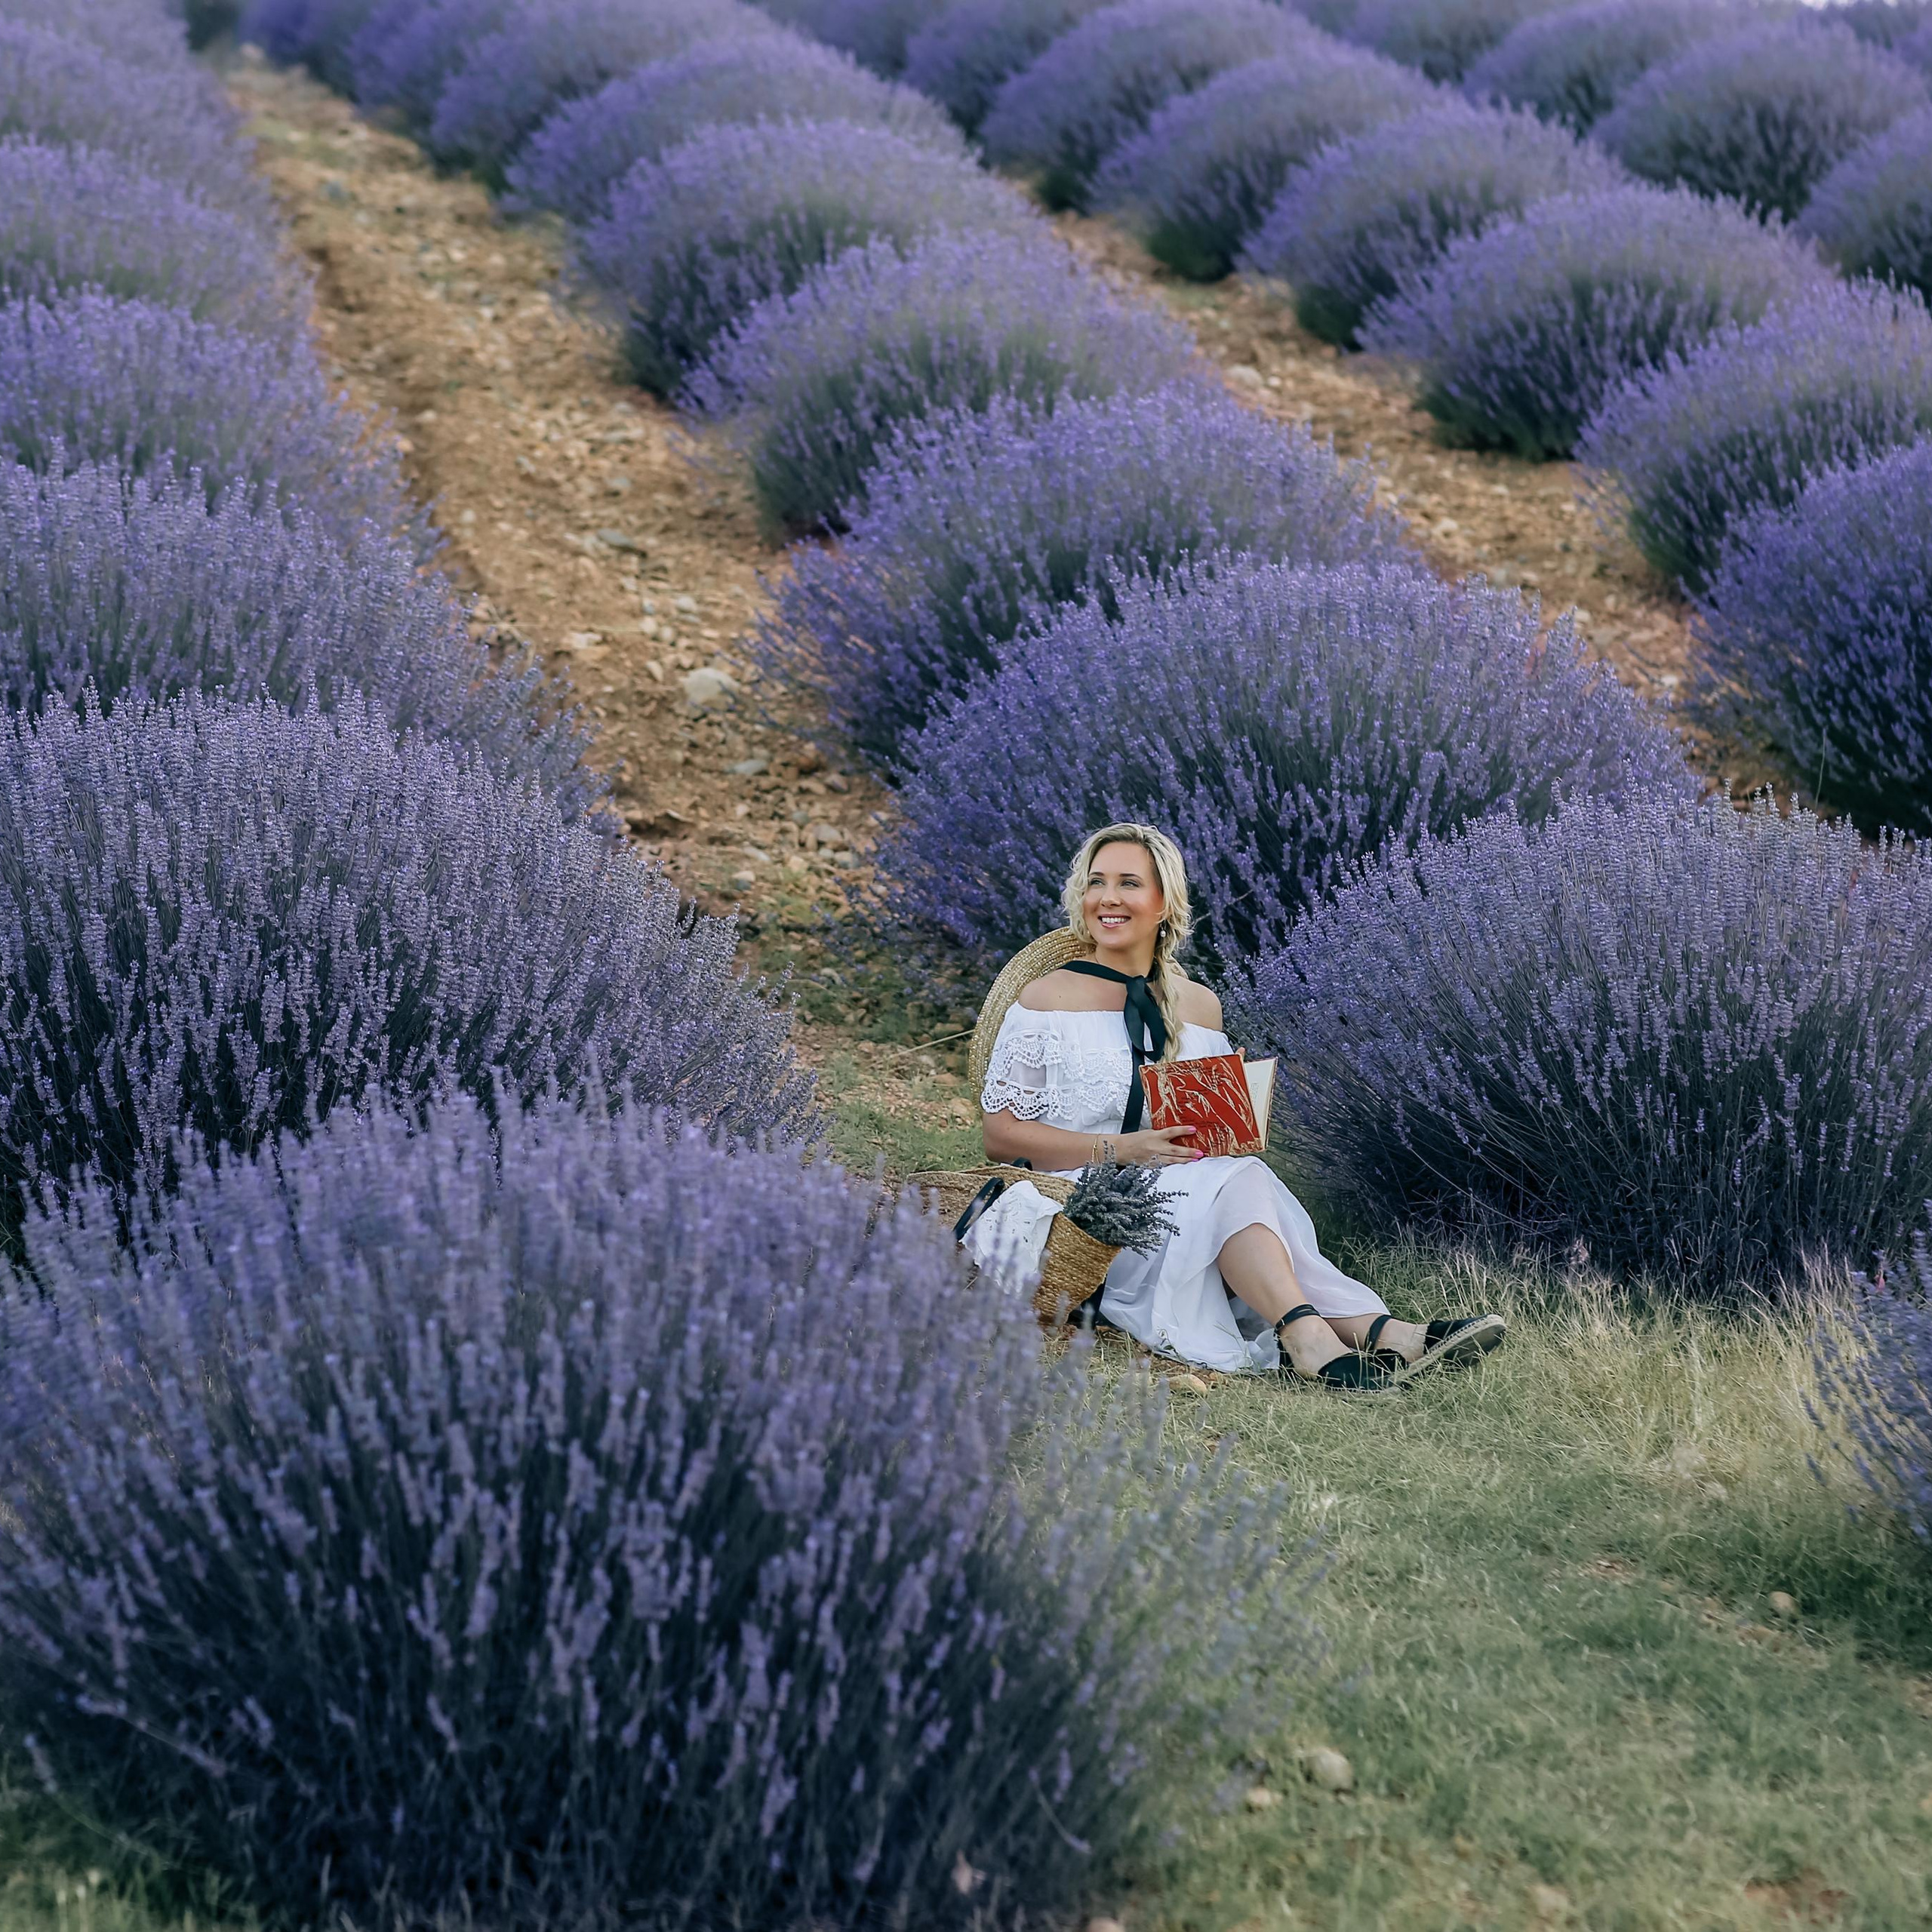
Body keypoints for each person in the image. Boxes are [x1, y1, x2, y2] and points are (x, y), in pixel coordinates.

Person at [978, 822, 1506, 1389]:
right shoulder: (1047, 999)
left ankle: (1348, 1336)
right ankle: (1367, 1334)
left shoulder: (1200, 1008)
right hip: (1085, 1209)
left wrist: (1233, 1107)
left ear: (1164, 902)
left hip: (1186, 1188)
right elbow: (1002, 1137)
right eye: (1096, 882)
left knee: (1238, 1173)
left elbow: (1200, 1139)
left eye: (1129, 883)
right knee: (1235, 1185)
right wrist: (1122, 1148)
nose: (1107, 898)